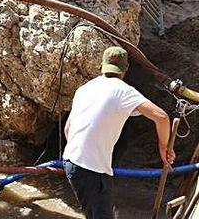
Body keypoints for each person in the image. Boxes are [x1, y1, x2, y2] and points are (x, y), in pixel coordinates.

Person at [63, 46, 173, 219]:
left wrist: (84, 152)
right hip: (91, 169)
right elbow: (162, 117)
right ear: (126, 69)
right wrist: (164, 147)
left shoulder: (84, 89)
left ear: (102, 65)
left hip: (71, 162)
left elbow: (67, 129)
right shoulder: (123, 91)